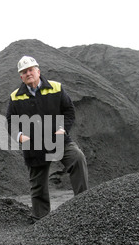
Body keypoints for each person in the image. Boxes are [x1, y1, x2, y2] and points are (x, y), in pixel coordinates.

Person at [6, 56, 89, 222]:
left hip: (57, 139)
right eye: (24, 72)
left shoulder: (56, 88)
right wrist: (20, 136)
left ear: (38, 71)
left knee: (77, 158)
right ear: (20, 76)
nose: (28, 73)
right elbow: (10, 121)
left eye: (30, 70)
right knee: (38, 186)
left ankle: (85, 206)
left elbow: (69, 111)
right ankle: (41, 221)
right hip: (34, 145)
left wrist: (62, 129)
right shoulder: (15, 97)